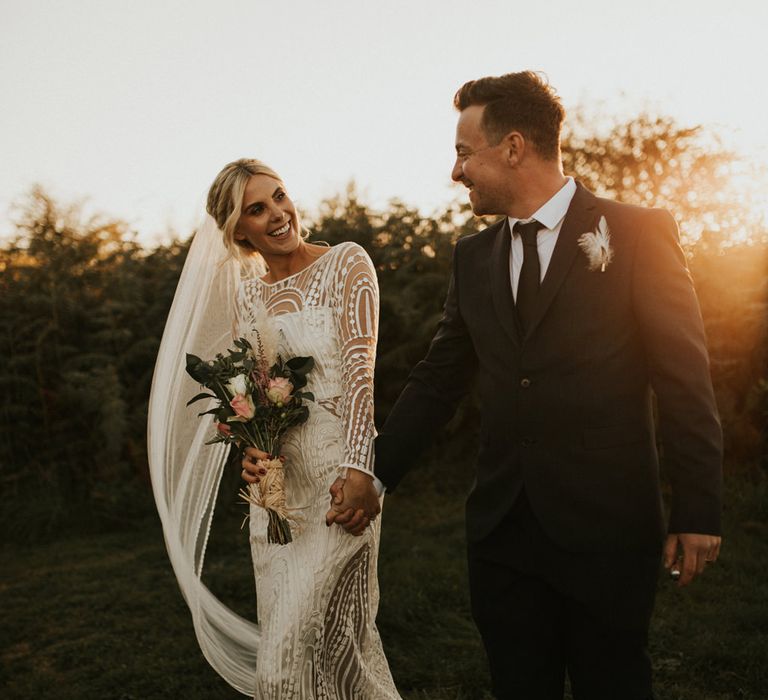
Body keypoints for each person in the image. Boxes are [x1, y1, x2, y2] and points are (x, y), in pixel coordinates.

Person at [324, 72, 723, 699]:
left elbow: (683, 375)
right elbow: (438, 379)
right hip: (503, 532)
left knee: (613, 684)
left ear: (513, 147)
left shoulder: (638, 232)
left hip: (608, 526)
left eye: (463, 152)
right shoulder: (472, 257)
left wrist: (697, 506)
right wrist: (375, 474)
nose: (456, 172)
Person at [150, 159, 400, 699]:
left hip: (340, 483)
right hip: (277, 496)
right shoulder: (247, 297)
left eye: (279, 196)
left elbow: (361, 378)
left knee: (299, 653)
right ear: (237, 230)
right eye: (257, 209)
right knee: (329, 652)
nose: (278, 214)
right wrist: (249, 450)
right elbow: (253, 396)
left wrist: (361, 471)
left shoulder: (345, 265)